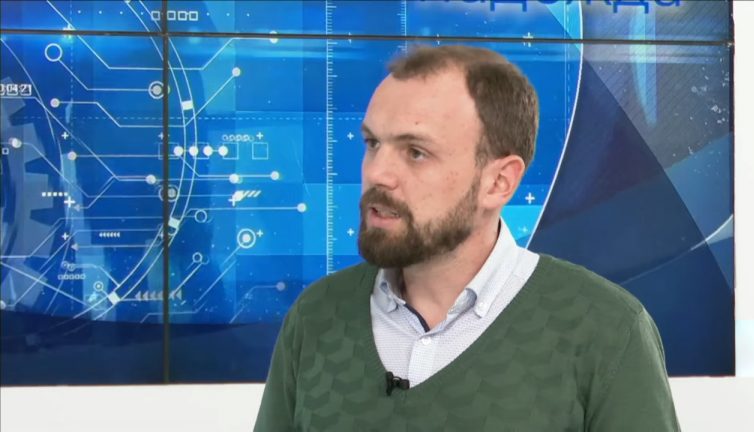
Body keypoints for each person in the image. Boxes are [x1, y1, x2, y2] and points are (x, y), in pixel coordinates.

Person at [254, 45, 679, 431]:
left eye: (416, 152)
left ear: (498, 182)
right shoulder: (316, 316)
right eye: (373, 143)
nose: (377, 173)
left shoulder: (605, 329)